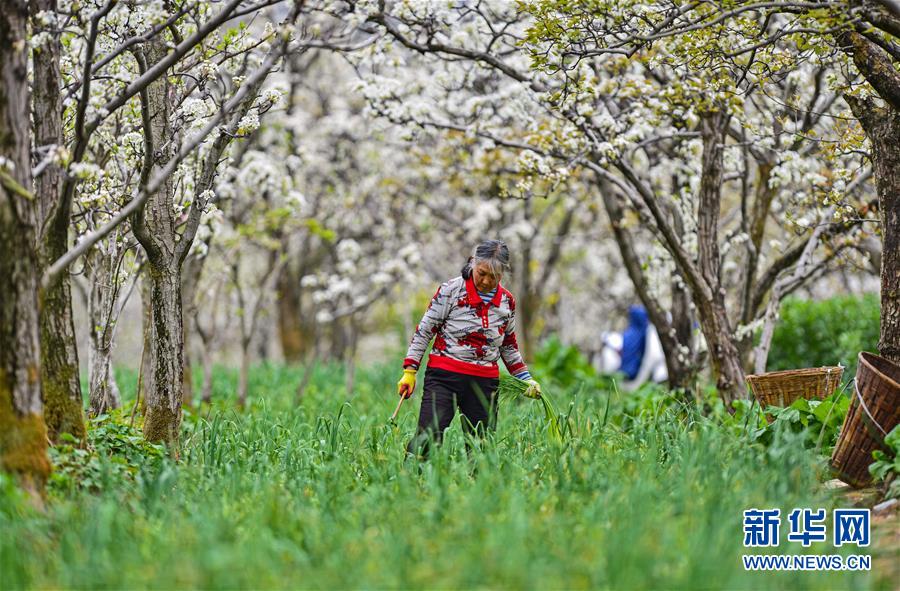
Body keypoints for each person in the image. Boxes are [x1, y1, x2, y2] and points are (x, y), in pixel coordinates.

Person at [397, 239, 542, 458]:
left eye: (493, 276)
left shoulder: (507, 302)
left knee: (480, 447)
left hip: (484, 383)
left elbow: (509, 346)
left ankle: (476, 489)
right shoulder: (451, 291)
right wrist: (410, 371)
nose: (485, 281)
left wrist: (525, 379)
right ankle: (413, 483)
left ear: (502, 274)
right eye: (481, 272)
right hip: (443, 377)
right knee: (427, 437)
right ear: (473, 263)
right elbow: (425, 330)